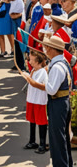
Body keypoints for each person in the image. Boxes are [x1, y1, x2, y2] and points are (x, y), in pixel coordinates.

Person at [41, 35, 73, 166]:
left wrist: (44, 77)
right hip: (63, 102)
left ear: (53, 49)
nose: (46, 50)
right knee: (63, 139)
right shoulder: (63, 62)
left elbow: (51, 89)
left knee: (57, 141)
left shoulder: (57, 67)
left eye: (47, 47)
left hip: (58, 104)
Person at [21, 49, 48, 154]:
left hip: (39, 101)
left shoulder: (42, 72)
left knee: (41, 122)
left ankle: (42, 144)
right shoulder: (33, 70)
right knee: (32, 120)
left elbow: (35, 83)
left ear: (38, 62)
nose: (30, 61)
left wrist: (27, 77)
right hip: (32, 99)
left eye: (32, 60)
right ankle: (32, 141)